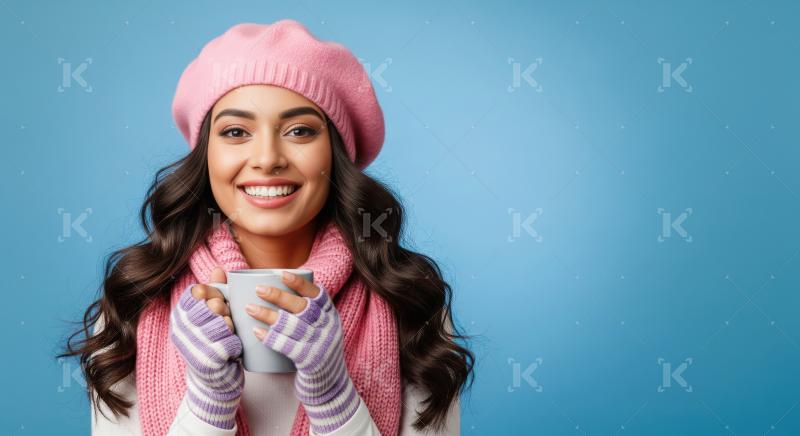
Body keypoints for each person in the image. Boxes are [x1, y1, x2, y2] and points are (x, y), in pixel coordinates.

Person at [58, 19, 474, 436]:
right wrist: (206, 403)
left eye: (299, 130)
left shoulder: (411, 303)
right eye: (236, 131)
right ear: (207, 156)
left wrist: (333, 397)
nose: (268, 158)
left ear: (335, 154)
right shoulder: (135, 304)